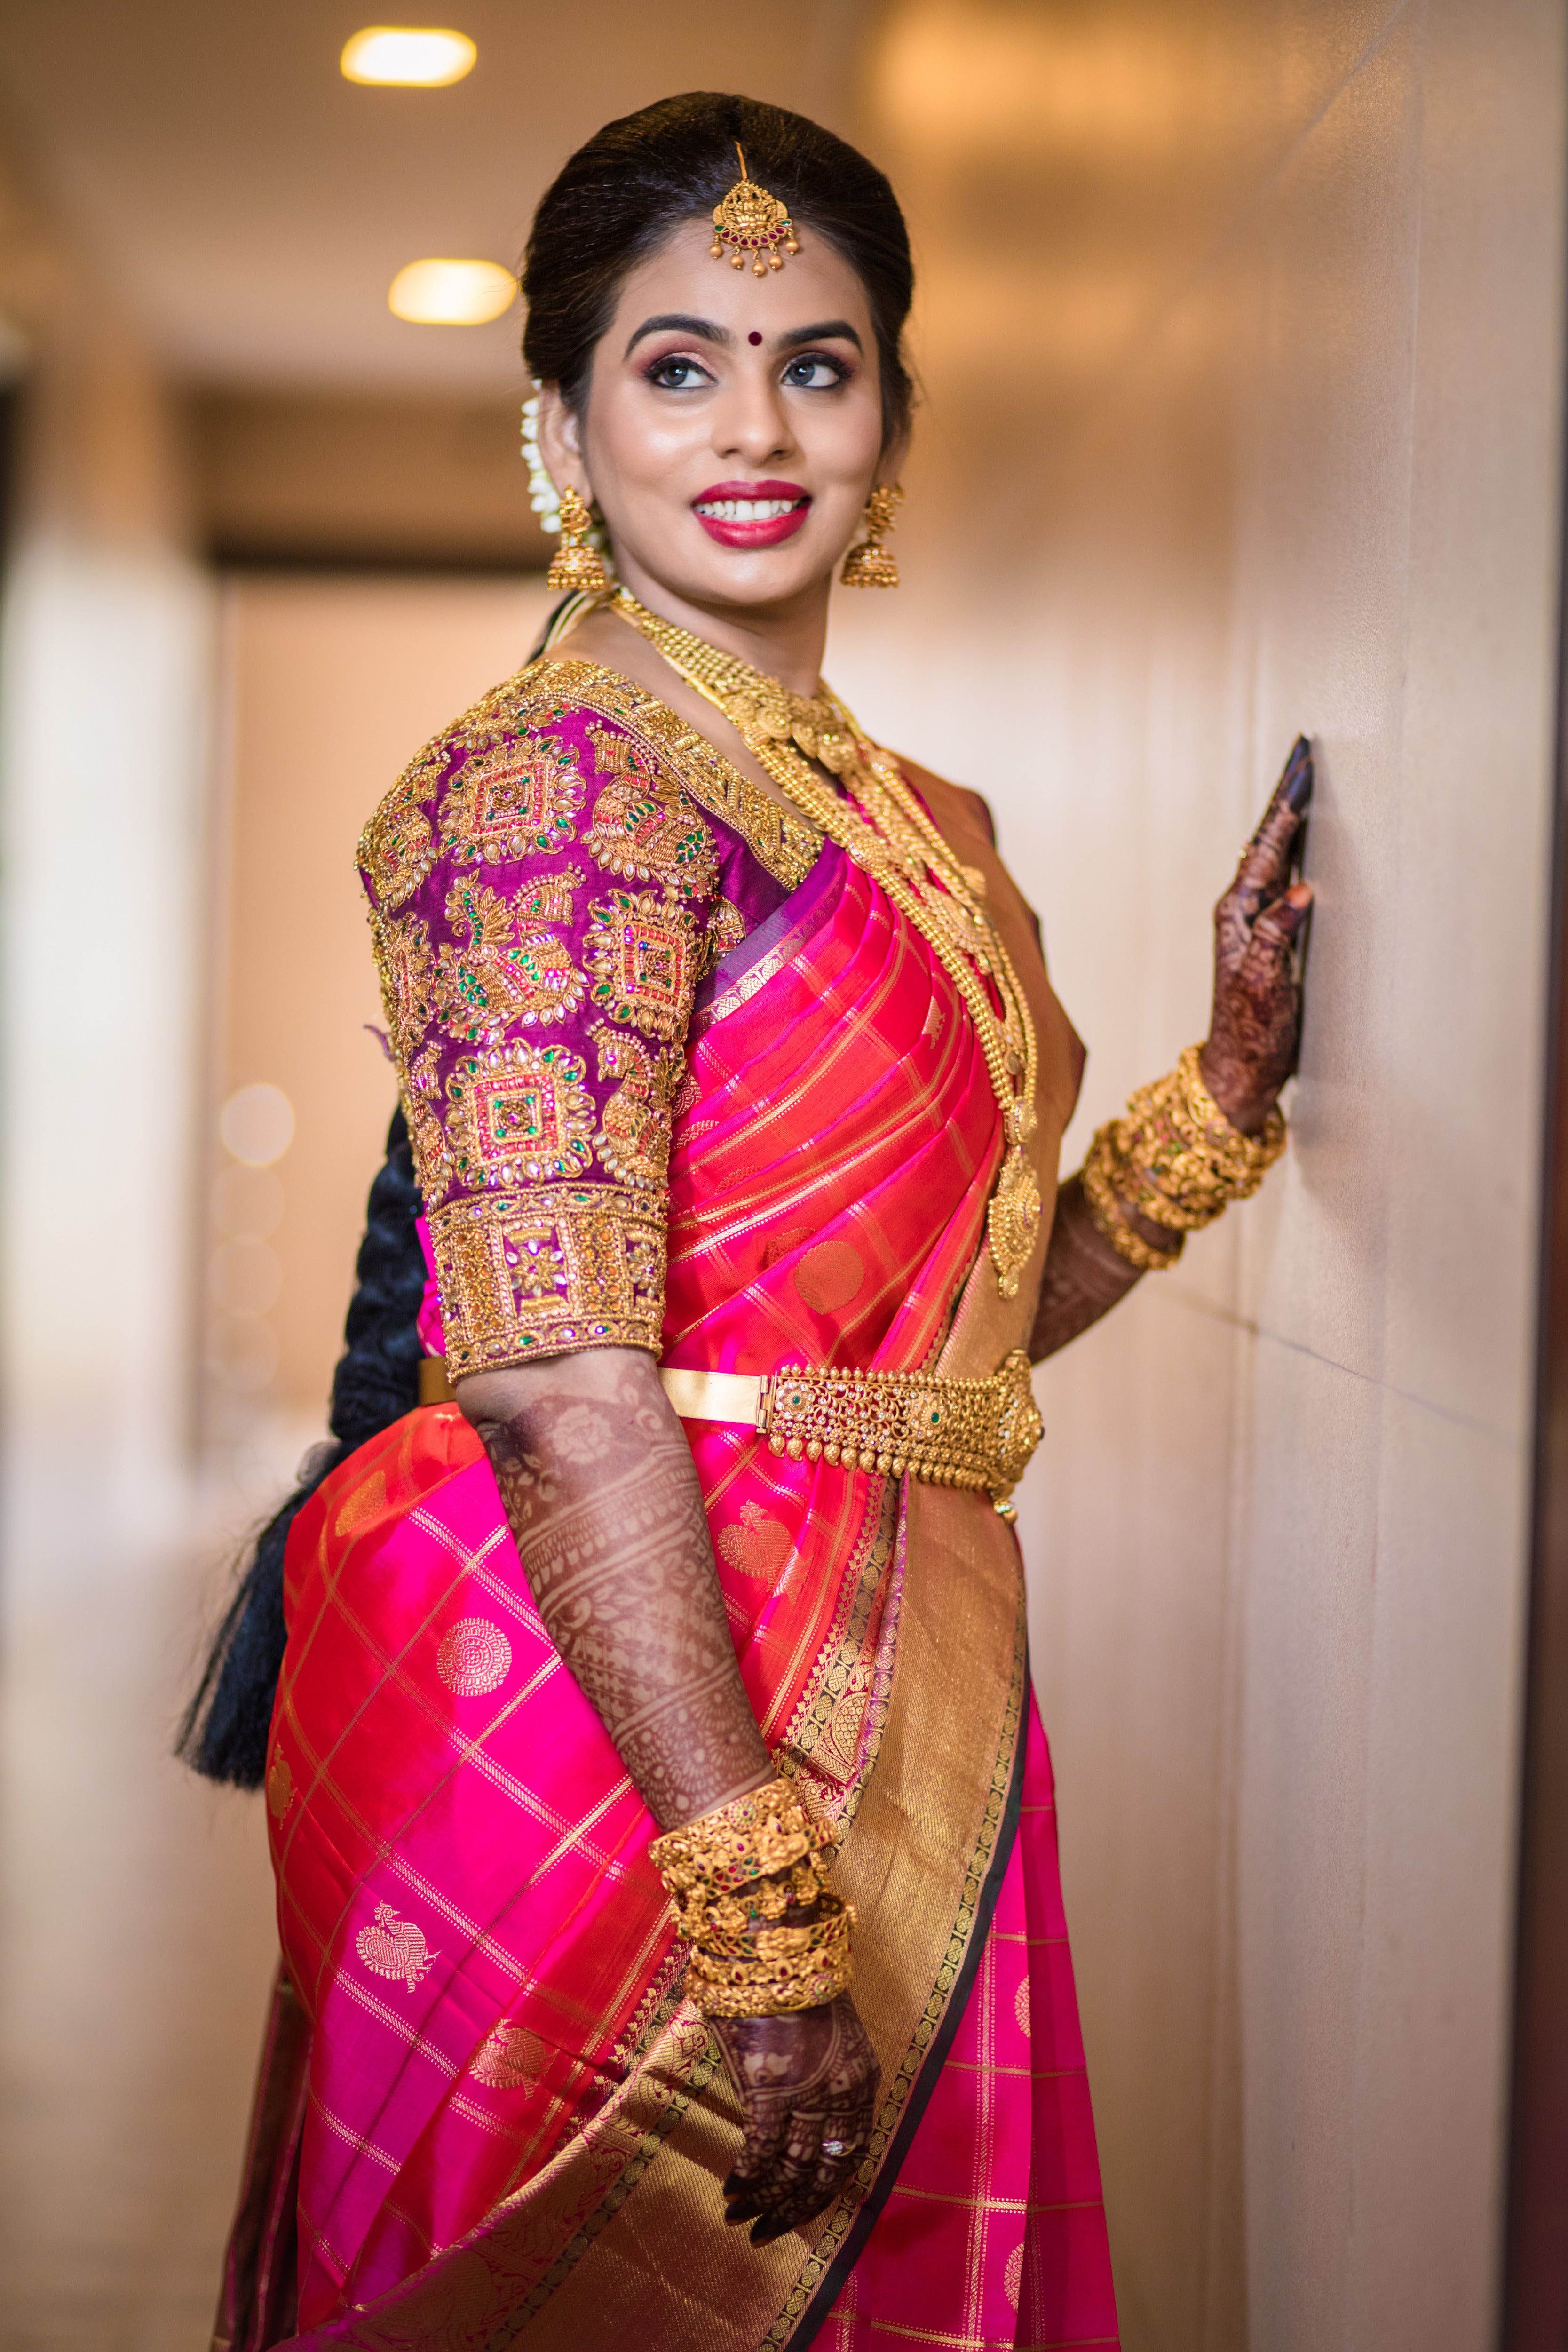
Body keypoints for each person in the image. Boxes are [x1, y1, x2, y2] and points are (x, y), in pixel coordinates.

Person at [188, 91, 1312, 2352]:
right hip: (596, 1721)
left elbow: (919, 1365)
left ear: (895, 409)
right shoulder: (550, 784)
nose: (754, 425)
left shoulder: (919, 817)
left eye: (816, 360)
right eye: (674, 363)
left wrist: (1225, 1101)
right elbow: (561, 1384)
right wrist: (757, 1895)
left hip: (880, 1649)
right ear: (564, 425)